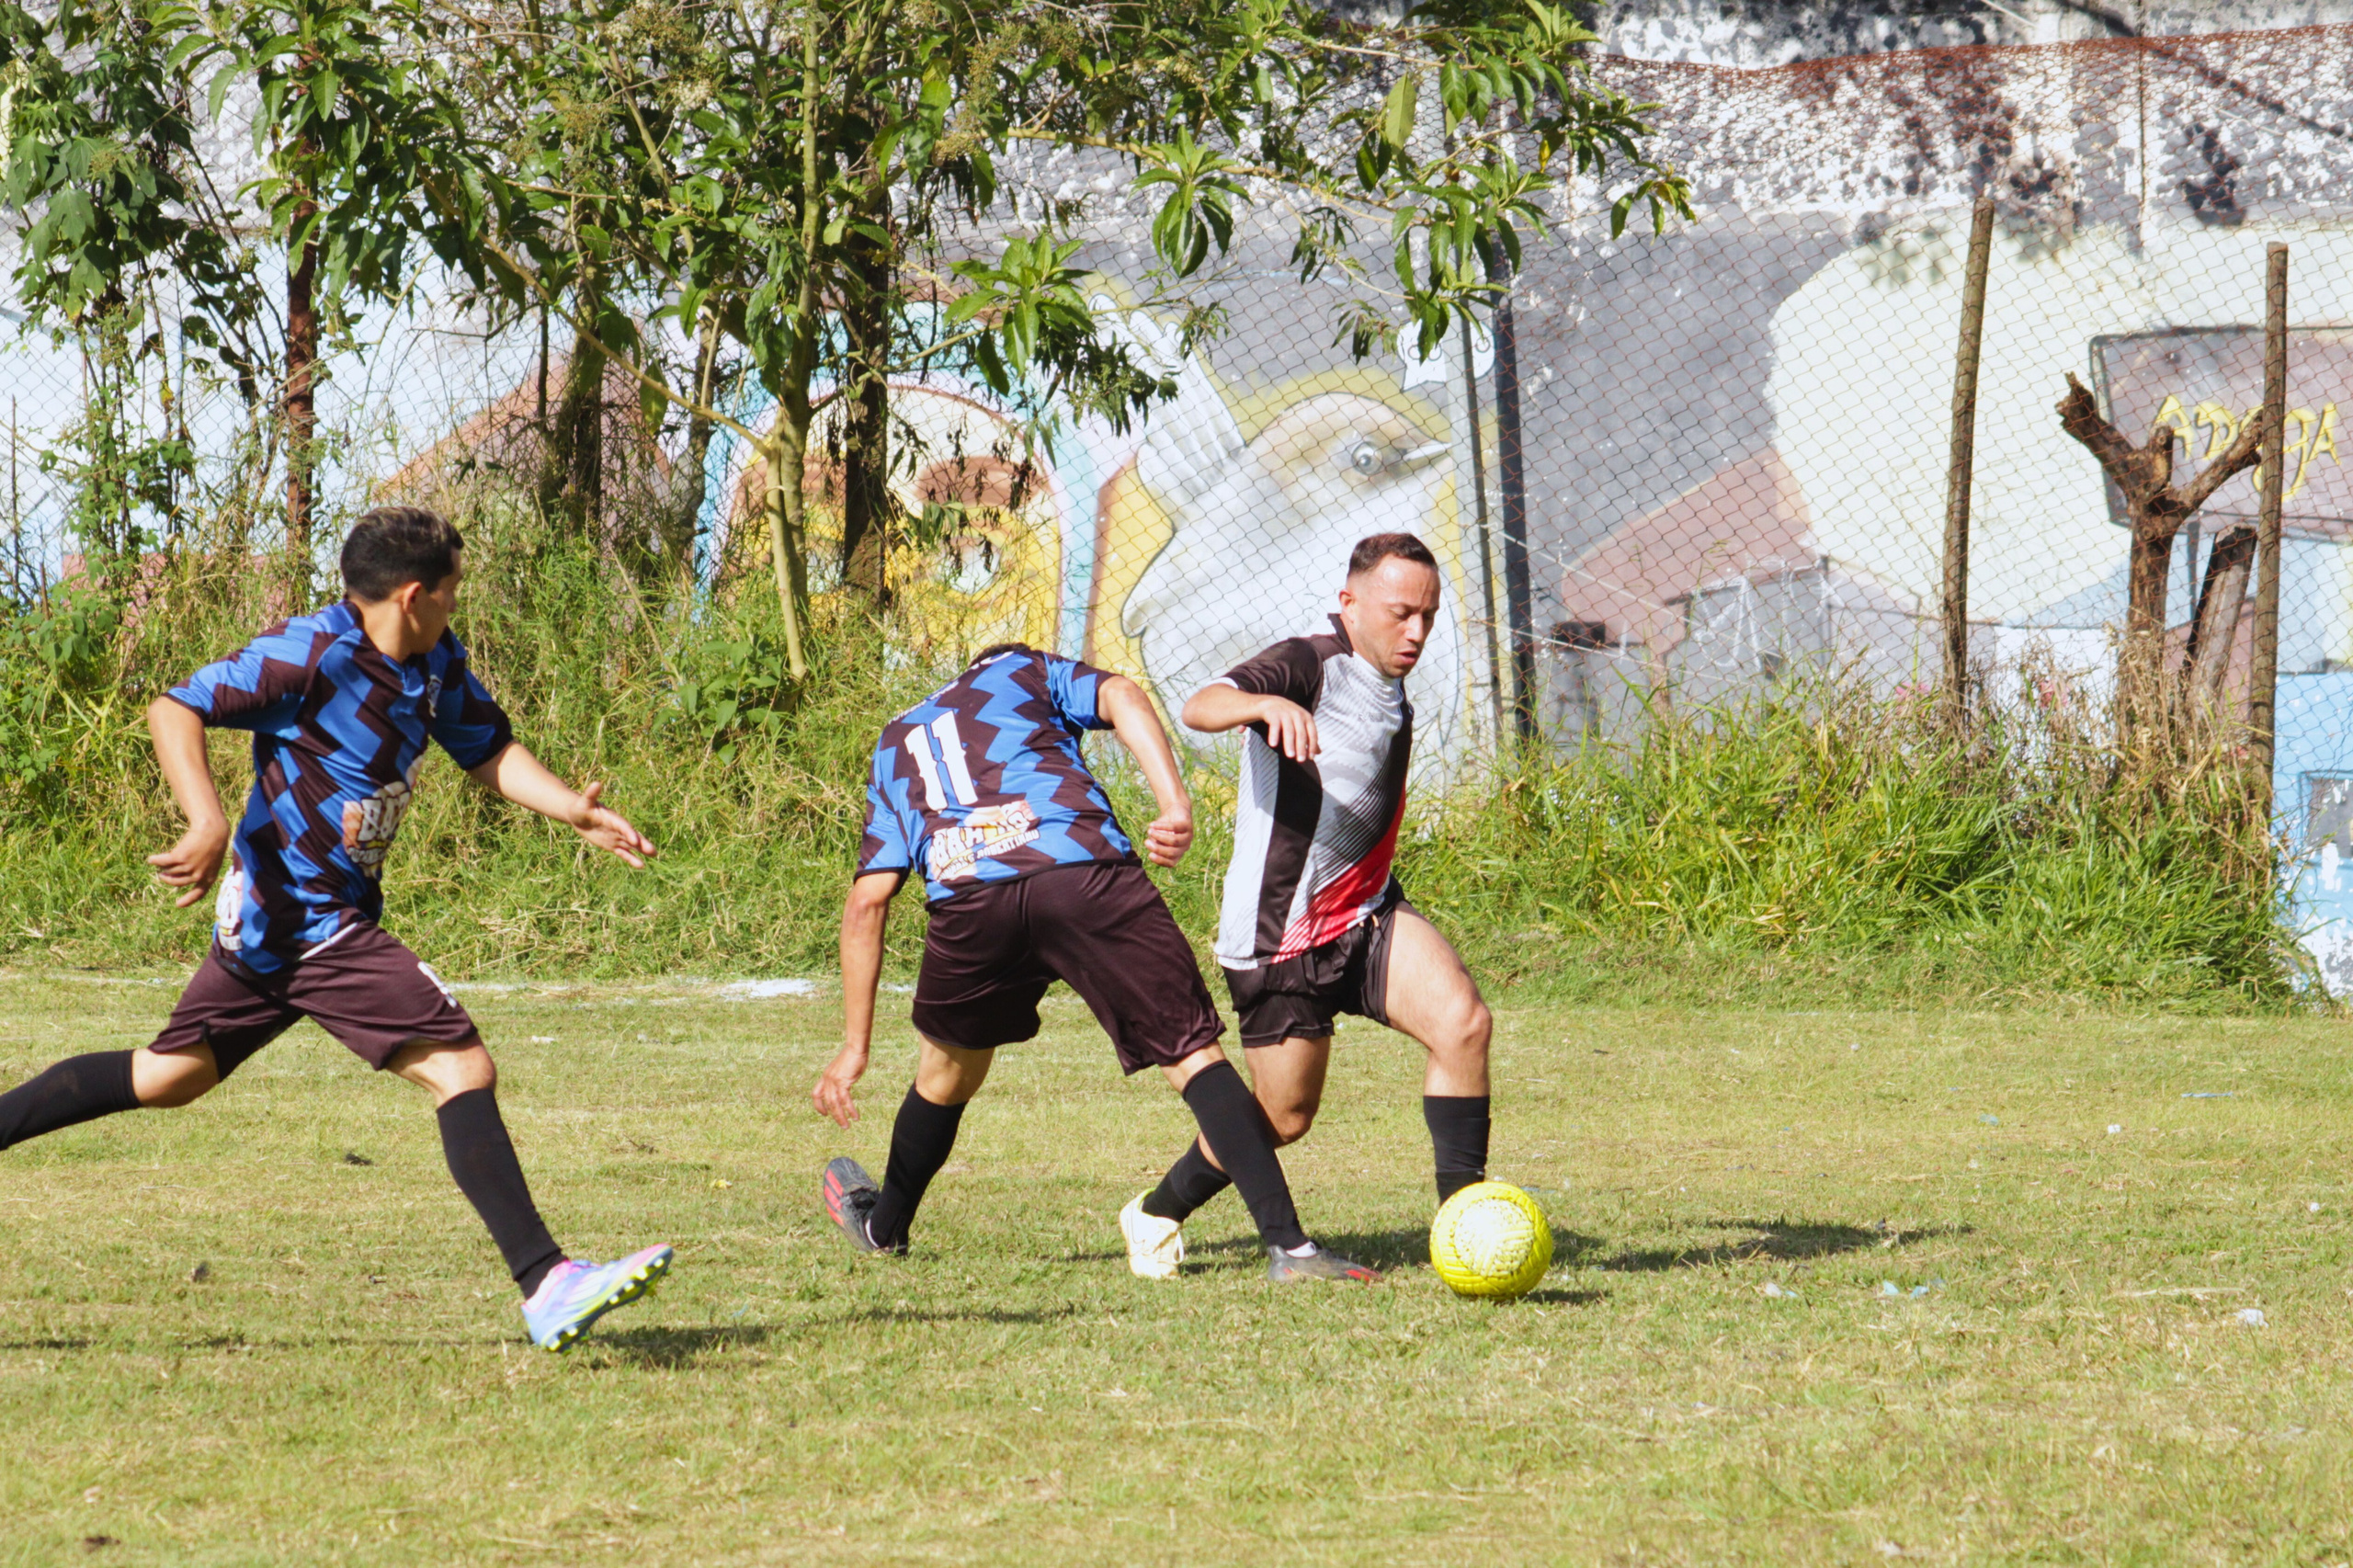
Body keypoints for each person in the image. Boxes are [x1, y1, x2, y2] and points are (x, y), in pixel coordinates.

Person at [0, 506, 672, 1352]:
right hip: (308, 919)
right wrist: (205, 821)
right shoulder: (311, 653)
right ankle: (547, 1282)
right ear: (416, 593)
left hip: (278, 925)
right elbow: (175, 708)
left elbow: (488, 750)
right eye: (453, 593)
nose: (456, 609)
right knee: (461, 1065)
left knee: (172, 1075)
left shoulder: (432, 663)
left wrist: (574, 808)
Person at [813, 642, 1375, 1282]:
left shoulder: (895, 739)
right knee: (1193, 1055)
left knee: (944, 1077)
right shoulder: (1021, 666)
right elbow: (1123, 695)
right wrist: (1175, 805)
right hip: (1080, 869)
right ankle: (1291, 1250)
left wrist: (854, 1047)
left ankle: (884, 1227)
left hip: (971, 900)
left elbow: (867, 902)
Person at [1119, 533, 1495, 1280]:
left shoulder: (1391, 687)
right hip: (1279, 937)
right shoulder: (1307, 663)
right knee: (1284, 1119)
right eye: (1400, 613)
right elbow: (1201, 705)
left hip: (1368, 915)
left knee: (1464, 1024)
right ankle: (1158, 1209)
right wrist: (1263, 703)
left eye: (1428, 615)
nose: (1416, 632)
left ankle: (1464, 1230)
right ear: (1350, 602)